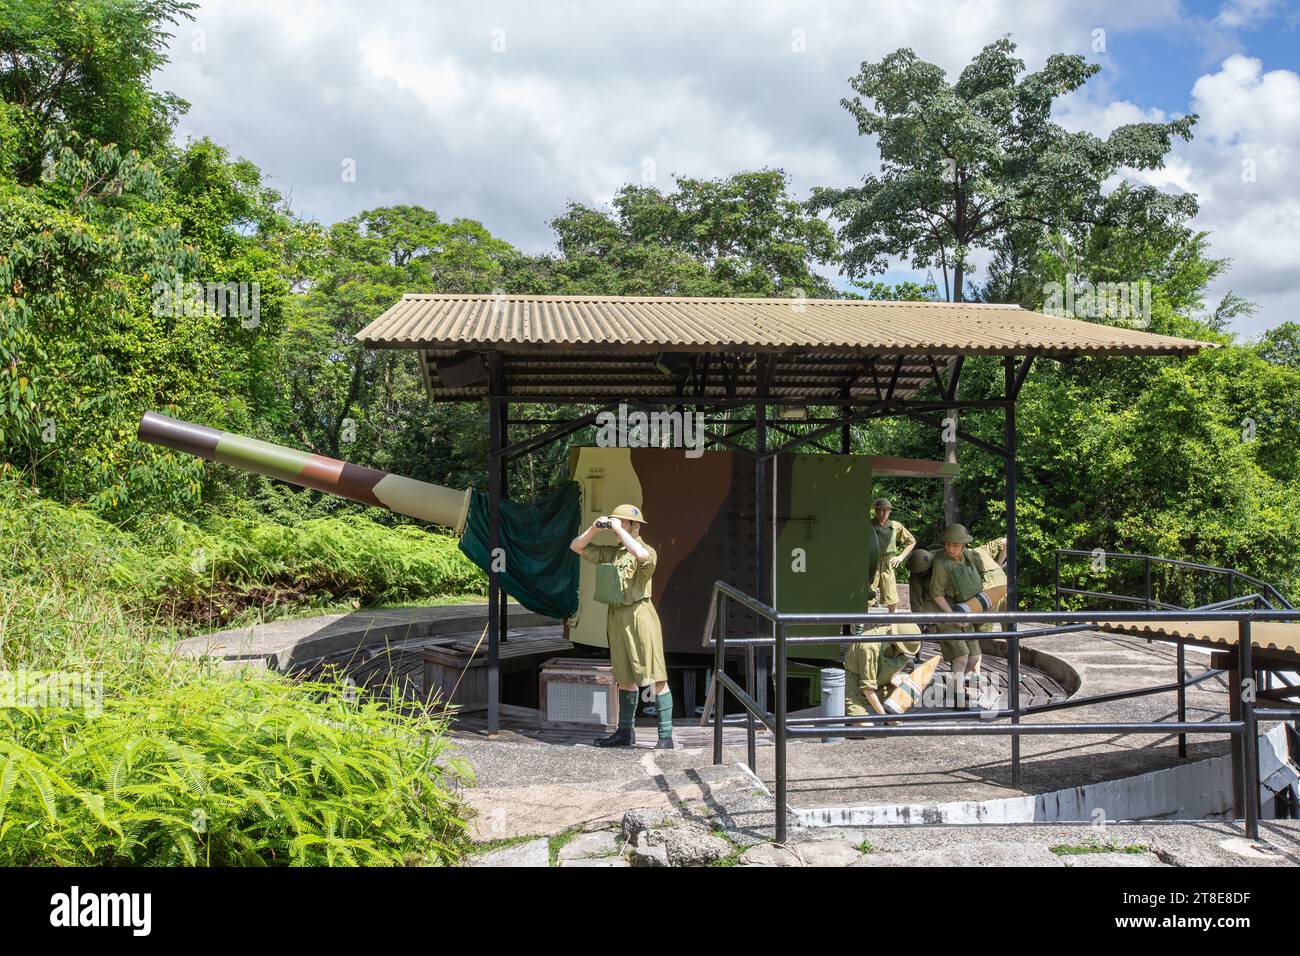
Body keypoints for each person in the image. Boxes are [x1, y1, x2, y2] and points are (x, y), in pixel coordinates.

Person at [569, 503, 674, 749]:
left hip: (640, 616)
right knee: (624, 677)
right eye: (615, 523)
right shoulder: (613, 553)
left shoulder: (645, 550)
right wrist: (595, 529)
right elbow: (577, 546)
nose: (616, 528)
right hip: (617, 616)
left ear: (635, 526)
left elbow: (643, 557)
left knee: (656, 677)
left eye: (622, 523)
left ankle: (665, 736)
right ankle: (625, 733)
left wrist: (621, 530)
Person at [929, 523, 987, 708]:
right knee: (961, 657)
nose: (949, 548)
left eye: (954, 545)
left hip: (966, 611)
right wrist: (953, 616)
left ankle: (955, 687)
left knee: (974, 657)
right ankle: (957, 698)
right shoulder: (941, 562)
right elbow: (936, 594)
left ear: (963, 545)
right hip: (946, 612)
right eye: (947, 544)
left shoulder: (970, 557)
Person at [844, 622, 924, 717]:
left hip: (880, 681)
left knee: (897, 718)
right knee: (867, 728)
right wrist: (885, 717)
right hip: (853, 686)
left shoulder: (893, 639)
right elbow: (867, 689)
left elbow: (894, 671)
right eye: (903, 650)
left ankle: (891, 716)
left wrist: (900, 680)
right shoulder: (869, 647)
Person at [869, 498, 916, 612]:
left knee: (892, 597)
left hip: (887, 563)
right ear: (876, 511)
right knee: (866, 596)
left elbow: (911, 541)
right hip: (871, 562)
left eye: (887, 510)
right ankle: (860, 627)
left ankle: (892, 625)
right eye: (882, 510)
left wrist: (900, 557)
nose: (885, 513)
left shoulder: (895, 526)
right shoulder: (869, 525)